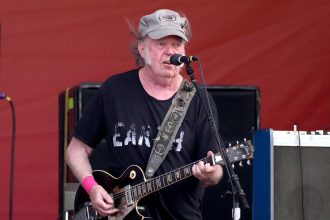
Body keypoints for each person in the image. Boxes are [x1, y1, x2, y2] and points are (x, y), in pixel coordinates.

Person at [66, 8, 223, 220]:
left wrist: (212, 174)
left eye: (177, 44)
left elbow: (214, 168)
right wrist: (92, 187)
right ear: (142, 48)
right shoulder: (114, 90)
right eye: (161, 44)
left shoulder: (198, 99)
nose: (171, 51)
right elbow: (76, 149)